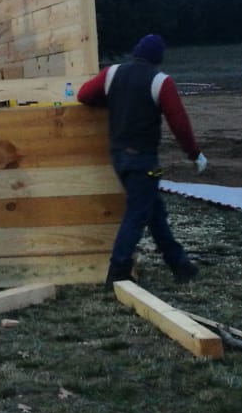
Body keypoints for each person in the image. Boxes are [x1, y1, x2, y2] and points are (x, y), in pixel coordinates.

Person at [77, 33, 208, 287]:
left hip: (119, 156)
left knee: (154, 209)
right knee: (138, 213)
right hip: (145, 161)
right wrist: (194, 154)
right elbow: (179, 123)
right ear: (158, 58)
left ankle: (180, 264)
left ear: (136, 52)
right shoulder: (160, 81)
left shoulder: (112, 73)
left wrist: (111, 101)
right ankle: (118, 270)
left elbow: (84, 95)